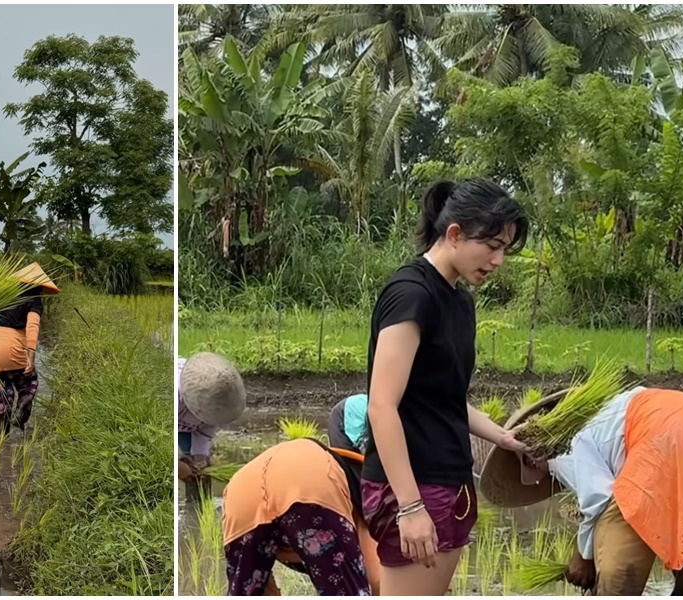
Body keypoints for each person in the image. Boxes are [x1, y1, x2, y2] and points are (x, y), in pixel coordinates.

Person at [361, 178, 530, 596]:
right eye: (491, 245)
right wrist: (410, 506)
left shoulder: (459, 300)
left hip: (451, 484)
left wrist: (503, 438)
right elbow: (382, 406)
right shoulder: (412, 294)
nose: (498, 260)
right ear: (454, 234)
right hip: (412, 486)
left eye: (505, 249)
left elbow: (445, 399)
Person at [479, 386, 683, 595]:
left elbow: (599, 499)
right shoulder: (606, 413)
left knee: (617, 573)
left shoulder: (560, 449)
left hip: (665, 439)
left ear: (532, 455)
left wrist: (583, 558)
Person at [220, 430, 381, 596]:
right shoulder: (369, 499)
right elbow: (377, 581)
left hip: (240, 493)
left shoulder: (339, 466)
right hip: (308, 486)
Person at [0, 262, 59, 434]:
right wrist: (31, 357)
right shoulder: (35, 300)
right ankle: (21, 411)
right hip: (13, 349)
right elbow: (32, 327)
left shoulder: (4, 298)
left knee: (0, 394)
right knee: (29, 382)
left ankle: (1, 436)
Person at [177, 352, 245, 501]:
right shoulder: (175, 396)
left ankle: (197, 506)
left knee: (199, 469)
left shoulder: (219, 404)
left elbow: (205, 431)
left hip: (185, 425)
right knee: (181, 465)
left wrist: (200, 457)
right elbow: (154, 431)